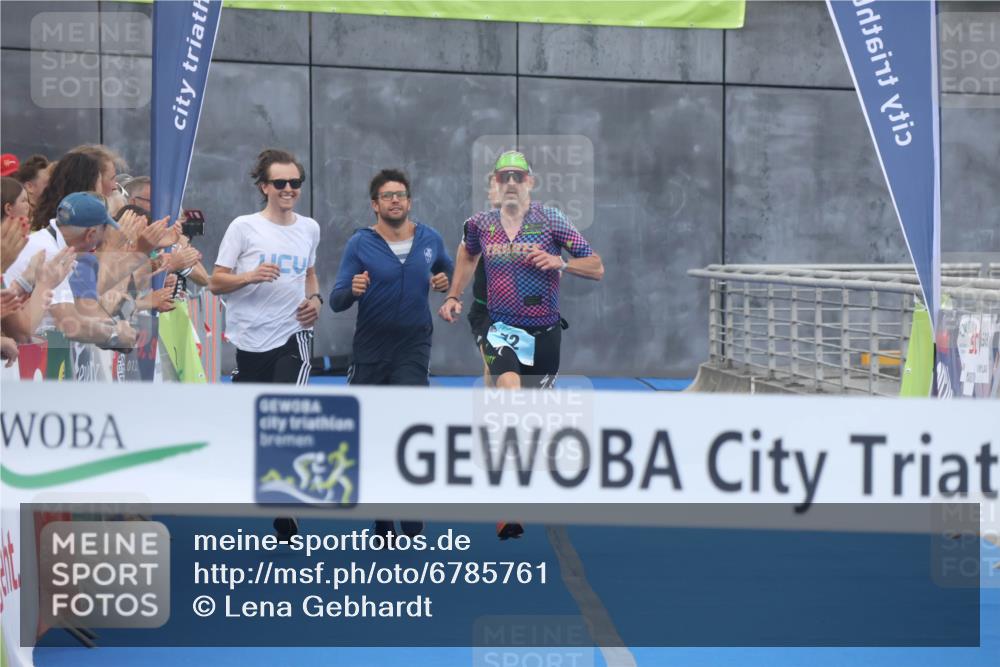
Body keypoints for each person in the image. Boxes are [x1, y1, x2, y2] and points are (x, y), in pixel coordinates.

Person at [438, 151, 604, 539]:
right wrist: (453, 295)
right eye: (503, 176)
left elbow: (596, 266)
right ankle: (508, 507)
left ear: (530, 182)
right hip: (501, 327)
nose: (510, 182)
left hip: (544, 330)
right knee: (508, 392)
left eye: (518, 176)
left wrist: (559, 262)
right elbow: (466, 253)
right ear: (495, 183)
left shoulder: (551, 221)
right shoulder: (479, 224)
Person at [330, 168, 453, 540]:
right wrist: (352, 289)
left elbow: (452, 272)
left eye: (400, 194)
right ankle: (382, 512)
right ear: (375, 205)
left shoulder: (429, 239)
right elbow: (336, 301)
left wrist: (447, 286)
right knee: (373, 433)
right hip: (370, 351)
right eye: (387, 196)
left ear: (409, 201)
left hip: (413, 347)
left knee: (409, 425)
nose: (395, 200)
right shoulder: (360, 244)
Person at [209, 148, 320, 541]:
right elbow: (215, 281)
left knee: (286, 412)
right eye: (280, 183)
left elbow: (309, 273)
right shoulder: (243, 227)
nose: (288, 189)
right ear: (264, 187)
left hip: (292, 336)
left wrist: (316, 300)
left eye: (295, 183)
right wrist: (251, 276)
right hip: (249, 340)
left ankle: (285, 501)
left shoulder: (309, 228)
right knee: (254, 424)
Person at [4, 192, 136, 378]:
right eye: (105, 230)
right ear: (90, 234)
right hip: (17, 366)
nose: (105, 238)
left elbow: (73, 315)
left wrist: (104, 327)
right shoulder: (51, 253)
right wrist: (114, 335)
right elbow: (69, 324)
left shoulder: (46, 241)